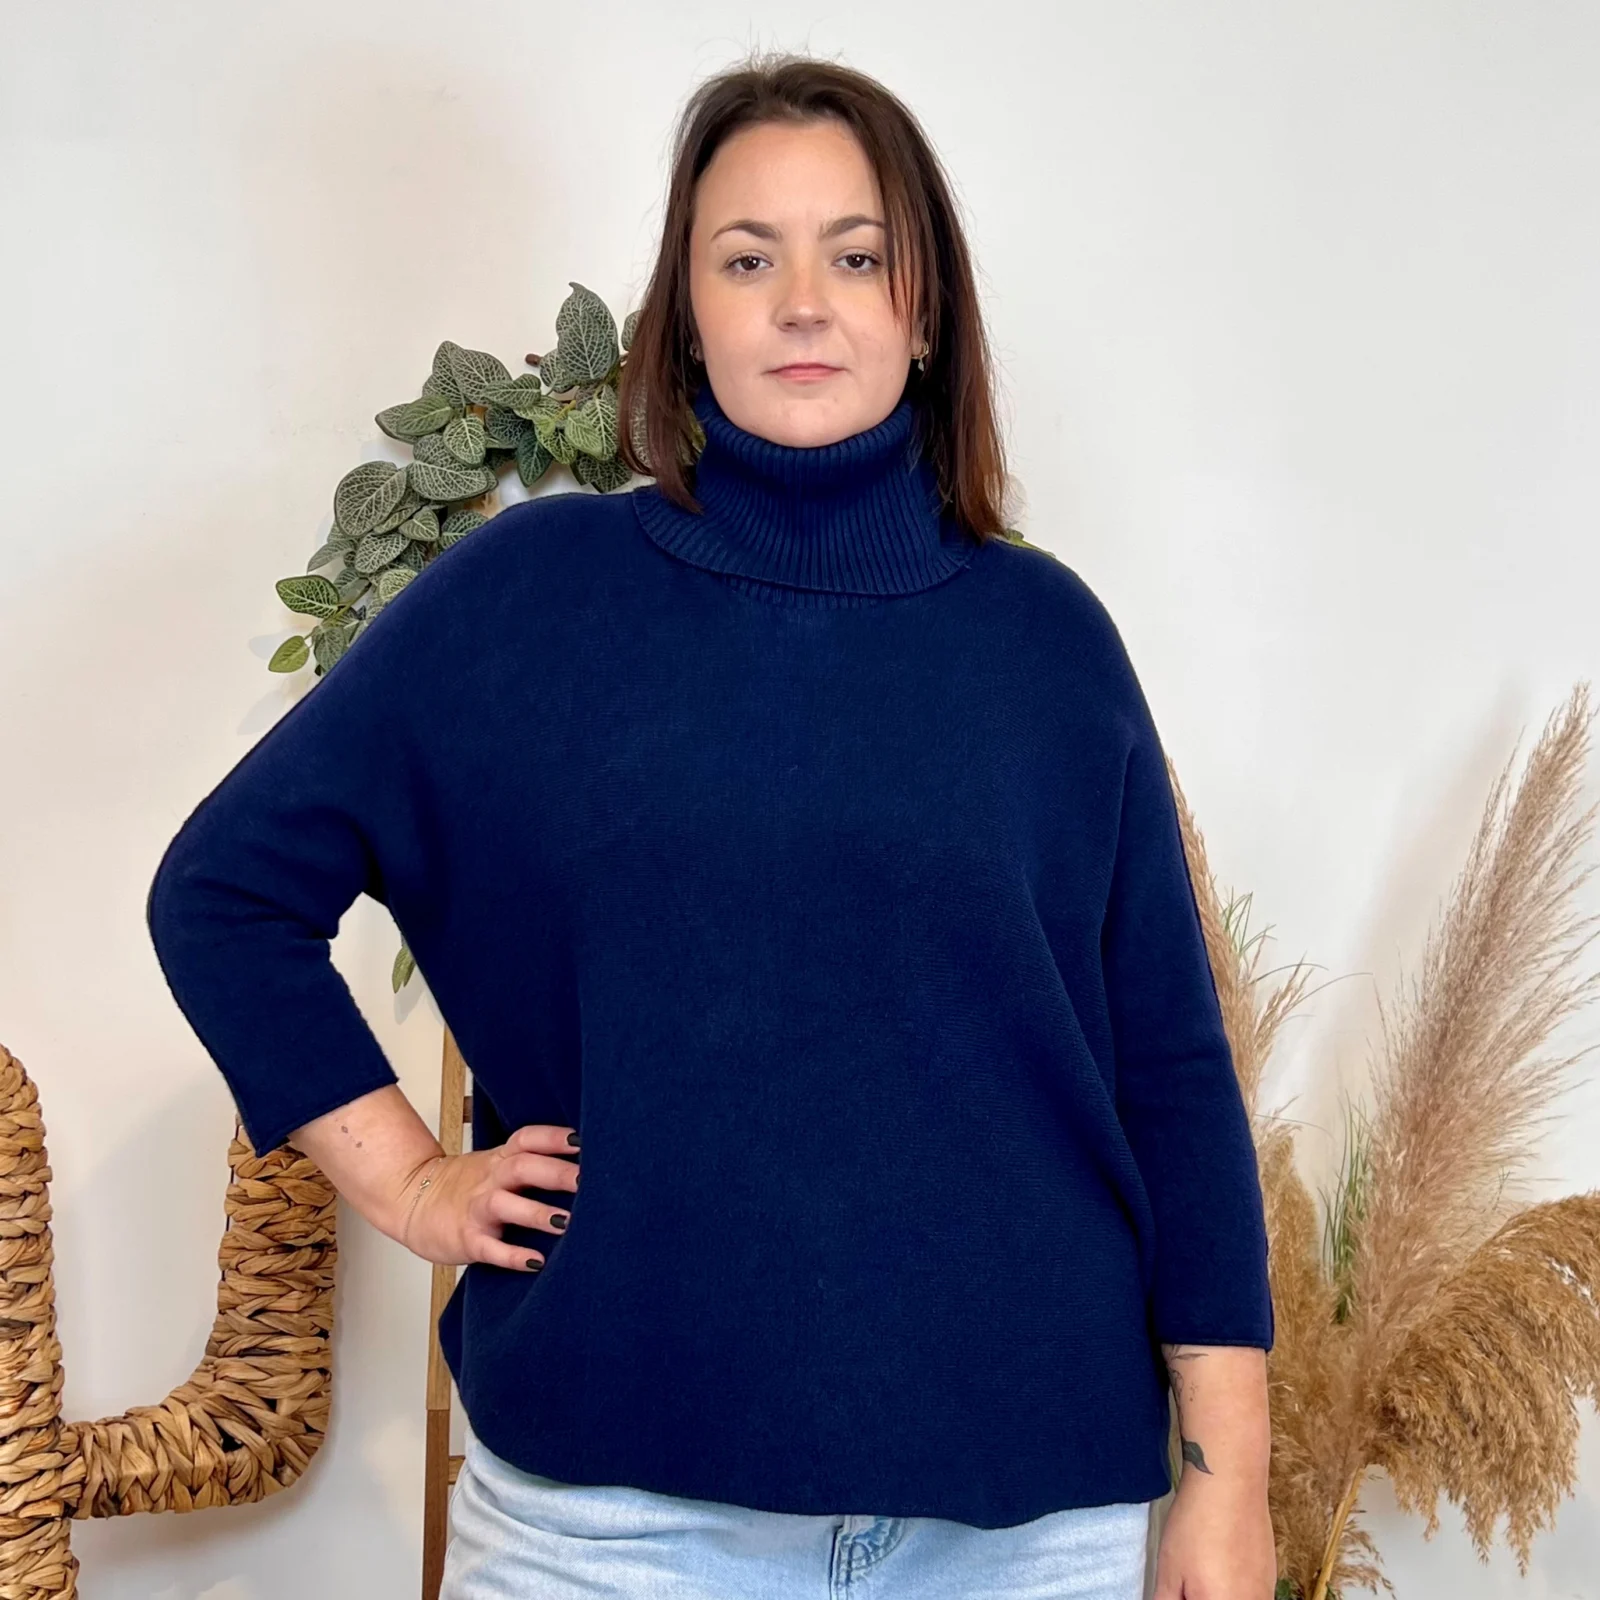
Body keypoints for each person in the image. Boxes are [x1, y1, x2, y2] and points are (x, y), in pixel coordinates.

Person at [145, 51, 1277, 1600]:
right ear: (686, 317)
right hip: (616, 1530)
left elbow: (1172, 1073)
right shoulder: (534, 599)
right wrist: (408, 1181)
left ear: (926, 313)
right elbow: (223, 893)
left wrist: (1228, 1482)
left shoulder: (1047, 641)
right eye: (749, 259)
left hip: (1020, 1536)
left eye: (857, 257)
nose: (803, 302)